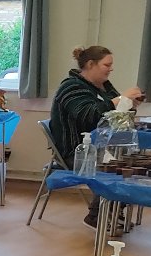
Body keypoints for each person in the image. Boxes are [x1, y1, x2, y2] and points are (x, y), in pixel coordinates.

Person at [52, 46, 143, 227]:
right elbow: (90, 116)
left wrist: (131, 105)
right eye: (106, 65)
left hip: (102, 147)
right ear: (90, 64)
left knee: (135, 163)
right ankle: (98, 214)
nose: (111, 69)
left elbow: (114, 115)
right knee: (118, 167)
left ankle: (112, 209)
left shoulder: (103, 86)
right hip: (77, 151)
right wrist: (120, 99)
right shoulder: (71, 87)